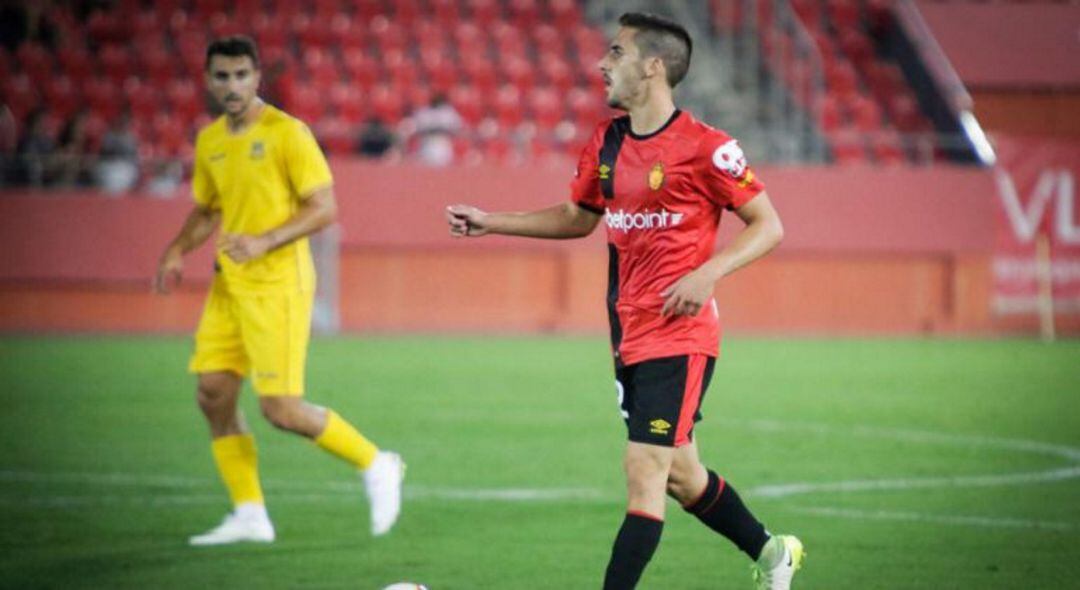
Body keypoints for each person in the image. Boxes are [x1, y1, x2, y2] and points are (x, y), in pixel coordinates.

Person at [446, 13, 802, 590]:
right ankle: (772, 553)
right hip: (628, 334)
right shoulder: (607, 142)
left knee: (644, 469)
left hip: (680, 334)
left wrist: (707, 274)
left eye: (616, 53)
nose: (601, 64)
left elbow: (769, 225)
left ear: (653, 67)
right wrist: (492, 222)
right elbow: (577, 217)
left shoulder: (707, 148)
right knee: (682, 476)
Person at [154, 36, 403, 546]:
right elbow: (207, 210)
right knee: (213, 393)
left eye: (241, 75)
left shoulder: (288, 133)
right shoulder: (211, 141)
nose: (232, 85)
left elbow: (324, 208)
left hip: (278, 285)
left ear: (256, 77)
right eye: (222, 76)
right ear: (208, 80)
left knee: (280, 410)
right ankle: (250, 514)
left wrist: (264, 241)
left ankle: (377, 463)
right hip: (229, 286)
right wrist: (176, 250)